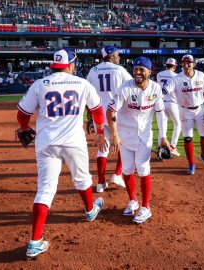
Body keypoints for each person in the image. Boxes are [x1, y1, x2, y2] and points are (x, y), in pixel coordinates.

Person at [16, 49, 107, 258]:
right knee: (82, 179)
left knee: (45, 190)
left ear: (54, 65)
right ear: (71, 65)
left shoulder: (40, 84)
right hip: (74, 142)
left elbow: (22, 114)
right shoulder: (82, 83)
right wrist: (100, 132)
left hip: (46, 143)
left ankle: (35, 241)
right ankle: (90, 210)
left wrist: (23, 128)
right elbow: (98, 111)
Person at [106, 56, 170, 224]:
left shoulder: (156, 88)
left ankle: (146, 207)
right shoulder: (125, 88)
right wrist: (114, 134)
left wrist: (163, 136)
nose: (138, 72)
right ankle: (133, 200)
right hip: (125, 135)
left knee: (142, 168)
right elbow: (111, 111)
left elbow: (161, 114)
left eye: (142, 69)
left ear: (150, 71)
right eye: (135, 68)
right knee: (127, 170)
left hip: (144, 135)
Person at [87, 45, 132, 192]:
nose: (119, 57)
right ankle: (117, 174)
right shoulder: (119, 70)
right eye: (117, 55)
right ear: (111, 56)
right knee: (125, 145)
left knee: (102, 148)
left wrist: (89, 115)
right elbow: (132, 87)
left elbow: (88, 94)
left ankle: (100, 183)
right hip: (116, 113)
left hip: (99, 113)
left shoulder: (93, 71)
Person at [163, 54, 204, 175]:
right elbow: (165, 90)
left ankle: (203, 155)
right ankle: (191, 163)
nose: (186, 65)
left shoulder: (201, 75)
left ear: (194, 64)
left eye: (189, 63)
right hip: (184, 111)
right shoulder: (177, 78)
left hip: (200, 110)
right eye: (184, 63)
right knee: (188, 138)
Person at [156, 58, 181, 156]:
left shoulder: (159, 74)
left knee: (163, 126)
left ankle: (160, 147)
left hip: (161, 102)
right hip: (172, 103)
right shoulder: (177, 76)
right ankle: (173, 146)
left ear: (166, 65)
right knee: (178, 124)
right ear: (174, 66)